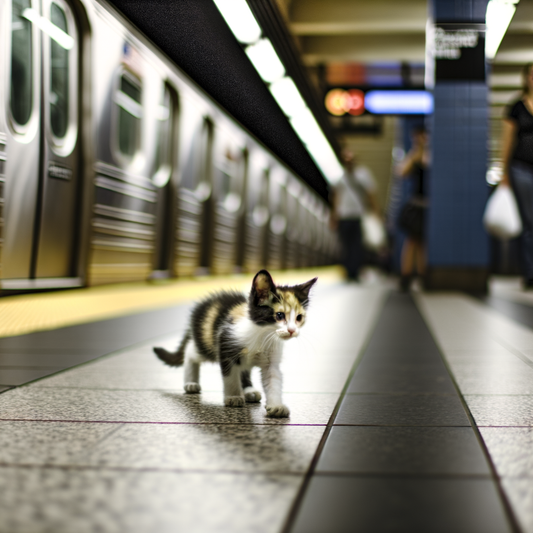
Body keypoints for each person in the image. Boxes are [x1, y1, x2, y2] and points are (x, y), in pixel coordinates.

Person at [501, 62, 533, 289]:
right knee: (529, 222)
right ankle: (530, 272)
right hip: (521, 168)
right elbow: (507, 141)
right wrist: (503, 172)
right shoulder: (515, 108)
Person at [330, 149, 380, 281]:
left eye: (351, 159)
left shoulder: (363, 174)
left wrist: (376, 212)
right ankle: (348, 271)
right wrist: (334, 215)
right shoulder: (338, 175)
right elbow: (336, 197)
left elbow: (370, 194)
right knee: (345, 245)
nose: (349, 162)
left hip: (358, 215)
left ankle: (356, 271)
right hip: (343, 216)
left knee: (357, 245)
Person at [397, 127, 430, 291]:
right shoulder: (415, 156)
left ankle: (421, 275)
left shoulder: (432, 155)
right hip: (417, 204)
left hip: (428, 204)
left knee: (421, 243)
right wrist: (415, 150)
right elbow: (402, 171)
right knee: (412, 241)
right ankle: (407, 276)